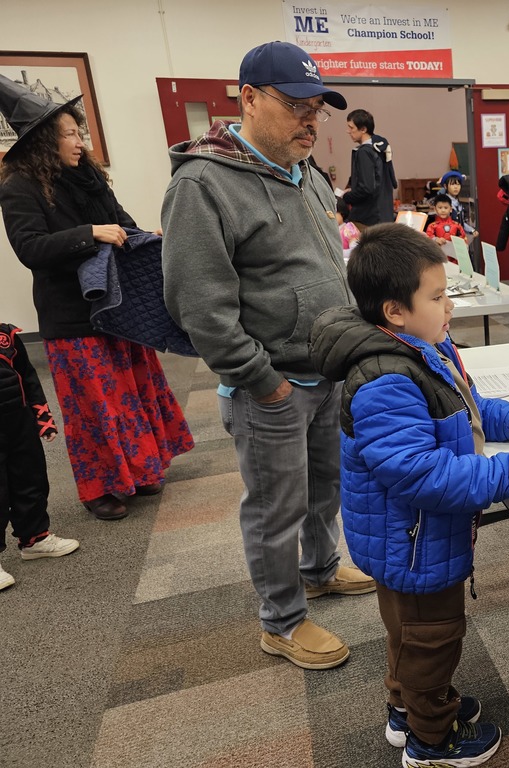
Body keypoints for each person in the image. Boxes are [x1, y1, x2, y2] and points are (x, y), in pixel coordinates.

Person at [309, 224, 509, 767]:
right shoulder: (386, 379)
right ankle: (430, 740)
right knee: (432, 640)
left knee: (407, 633)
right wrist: (505, 476)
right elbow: (419, 474)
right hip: (416, 543)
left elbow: (459, 409)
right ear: (396, 310)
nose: (449, 307)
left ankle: (408, 709)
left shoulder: (422, 349)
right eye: (439, 297)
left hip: (408, 538)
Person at [161, 41, 374, 671]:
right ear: (248, 99)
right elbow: (199, 307)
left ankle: (318, 571)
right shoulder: (202, 184)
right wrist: (263, 382)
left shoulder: (305, 172)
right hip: (271, 385)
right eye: (296, 106)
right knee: (275, 506)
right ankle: (281, 621)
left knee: (324, 489)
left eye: (318, 108)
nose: (311, 120)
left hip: (326, 368)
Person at [0, 75, 194, 522]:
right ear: (42, 142)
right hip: (72, 318)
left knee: (131, 392)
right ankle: (98, 489)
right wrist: (89, 234)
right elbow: (30, 249)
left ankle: (141, 469)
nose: (78, 141)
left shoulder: (89, 179)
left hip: (117, 308)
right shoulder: (18, 188)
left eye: (78, 132)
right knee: (95, 406)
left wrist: (149, 236)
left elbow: (121, 223)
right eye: (67, 134)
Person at [0, 322, 80, 591]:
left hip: (18, 422)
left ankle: (35, 538)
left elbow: (28, 376)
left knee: (31, 478)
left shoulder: (6, 335)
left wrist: (42, 416)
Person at [342, 109, 396, 227]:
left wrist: (345, 197)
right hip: (384, 215)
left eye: (351, 128)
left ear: (363, 129)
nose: (348, 131)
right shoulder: (380, 147)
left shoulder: (365, 152)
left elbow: (366, 188)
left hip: (369, 218)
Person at [438, 170, 476, 242]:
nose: (456, 187)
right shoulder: (443, 203)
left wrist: (472, 230)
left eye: (458, 184)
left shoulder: (458, 203)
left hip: (459, 238)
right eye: (452, 184)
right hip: (447, 238)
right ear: (446, 186)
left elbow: (461, 222)